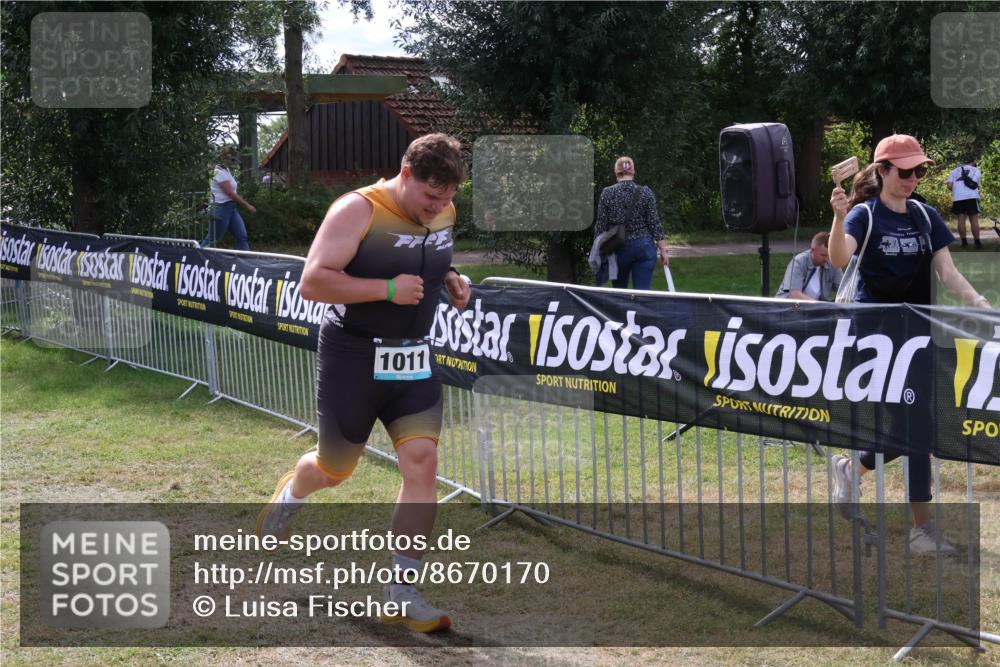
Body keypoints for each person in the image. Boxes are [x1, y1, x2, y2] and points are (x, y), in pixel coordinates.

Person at [256, 133, 471, 633]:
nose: (438, 207)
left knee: (423, 464)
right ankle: (291, 496)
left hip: (414, 361)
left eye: (447, 199)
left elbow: (432, 261)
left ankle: (401, 593)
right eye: (430, 197)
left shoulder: (443, 212)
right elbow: (313, 281)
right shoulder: (357, 210)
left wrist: (453, 279)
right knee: (335, 469)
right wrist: (385, 290)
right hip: (353, 356)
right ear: (405, 173)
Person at [827, 134, 991, 555]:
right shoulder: (864, 214)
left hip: (919, 337)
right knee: (916, 428)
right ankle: (921, 530)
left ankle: (852, 468)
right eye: (905, 171)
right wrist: (837, 217)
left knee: (914, 427)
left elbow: (947, 272)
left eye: (919, 170)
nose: (914, 178)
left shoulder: (924, 214)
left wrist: (977, 301)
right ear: (882, 172)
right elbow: (841, 258)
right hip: (877, 340)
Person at [593, 156, 668, 289]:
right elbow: (654, 223)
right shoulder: (646, 192)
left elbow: (601, 226)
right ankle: (640, 309)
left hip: (618, 248)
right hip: (644, 247)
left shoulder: (607, 193)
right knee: (642, 294)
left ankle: (623, 310)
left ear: (616, 172)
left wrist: (599, 250)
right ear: (633, 171)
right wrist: (663, 249)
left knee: (620, 293)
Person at [201, 146, 255, 250]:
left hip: (231, 208)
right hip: (220, 209)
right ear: (226, 158)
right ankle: (195, 258)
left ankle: (246, 262)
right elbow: (230, 193)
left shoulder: (226, 170)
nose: (234, 162)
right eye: (233, 159)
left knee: (242, 236)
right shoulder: (218, 171)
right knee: (212, 239)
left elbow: (233, 192)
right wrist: (248, 206)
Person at [774, 231, 843, 301]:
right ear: (812, 250)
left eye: (829, 255)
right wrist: (819, 306)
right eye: (823, 255)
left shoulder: (833, 263)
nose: (827, 259)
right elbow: (795, 295)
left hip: (816, 308)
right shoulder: (798, 262)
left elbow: (844, 289)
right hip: (789, 307)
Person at [946, 158, 983, 248]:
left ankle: (964, 243)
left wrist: (956, 189)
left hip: (958, 197)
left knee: (961, 219)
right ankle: (977, 242)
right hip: (971, 197)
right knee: (974, 219)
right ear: (973, 162)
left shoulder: (954, 171)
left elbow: (950, 185)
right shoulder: (976, 170)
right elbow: (976, 184)